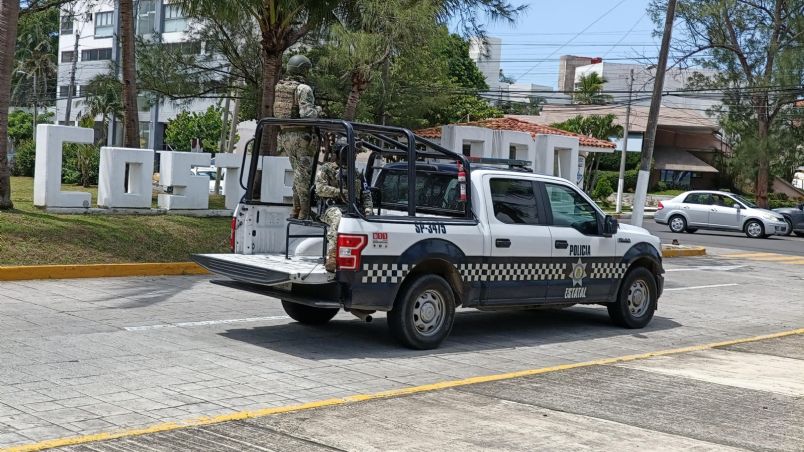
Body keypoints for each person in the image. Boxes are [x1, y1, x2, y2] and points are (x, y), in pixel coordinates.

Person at [274, 54, 322, 219]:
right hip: (302, 137)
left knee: (298, 173)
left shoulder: (280, 87)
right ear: (303, 70)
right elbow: (307, 114)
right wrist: (319, 111)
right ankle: (305, 211)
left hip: (285, 136)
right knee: (303, 174)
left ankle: (296, 209)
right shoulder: (303, 89)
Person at [316, 148, 373, 272]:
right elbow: (319, 188)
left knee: (368, 223)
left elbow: (366, 194)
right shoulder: (327, 169)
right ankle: (332, 256)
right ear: (338, 154)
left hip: (353, 208)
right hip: (331, 207)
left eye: (353, 154)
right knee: (339, 218)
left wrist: (368, 210)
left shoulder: (357, 174)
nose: (352, 157)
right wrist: (340, 192)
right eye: (348, 154)